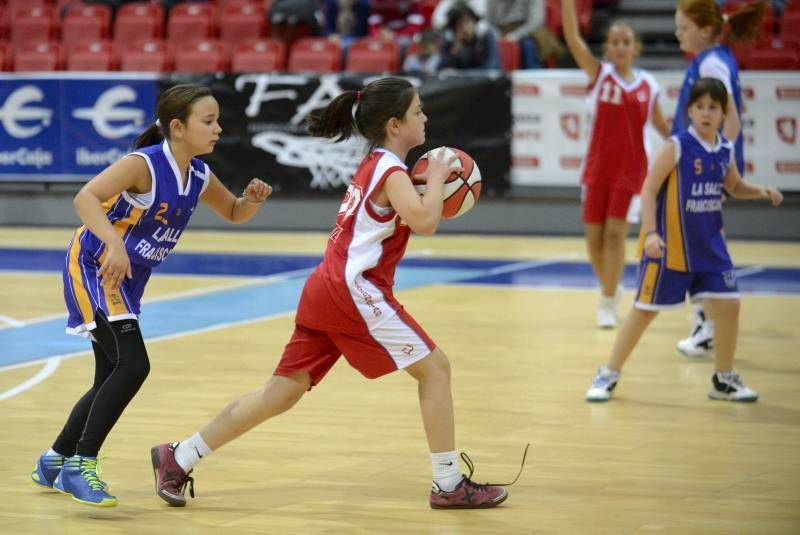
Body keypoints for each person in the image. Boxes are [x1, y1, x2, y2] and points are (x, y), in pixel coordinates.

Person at [150, 77, 514, 510]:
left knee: (280, 393)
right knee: (435, 369)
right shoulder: (391, 170)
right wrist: (437, 177)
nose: (426, 117)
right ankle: (448, 483)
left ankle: (180, 455)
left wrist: (429, 184)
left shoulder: (377, 163)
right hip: (352, 291)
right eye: (418, 111)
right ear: (395, 125)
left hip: (325, 287)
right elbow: (426, 220)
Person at [29, 84, 273, 507]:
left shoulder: (196, 174)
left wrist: (250, 201)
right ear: (177, 127)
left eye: (217, 121)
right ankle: (79, 465)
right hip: (95, 267)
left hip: (128, 280)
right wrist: (114, 242)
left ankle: (54, 459)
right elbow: (85, 197)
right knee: (134, 365)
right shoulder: (143, 164)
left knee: (111, 374)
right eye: (209, 121)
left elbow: (233, 212)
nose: (218, 129)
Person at [585, 77, 783, 403]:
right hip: (669, 248)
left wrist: (759, 191)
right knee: (643, 312)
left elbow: (733, 186)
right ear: (689, 110)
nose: (706, 113)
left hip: (710, 247)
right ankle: (608, 372)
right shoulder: (677, 145)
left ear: (723, 115)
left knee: (730, 306)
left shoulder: (723, 149)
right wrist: (650, 233)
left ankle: (723, 379)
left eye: (713, 108)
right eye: (699, 106)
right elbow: (649, 189)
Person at [561, 0, 671, 329]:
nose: (620, 47)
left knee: (614, 236)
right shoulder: (599, 74)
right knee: (593, 239)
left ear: (635, 48)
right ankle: (610, 286)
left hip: (631, 170)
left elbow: (664, 128)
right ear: (607, 47)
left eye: (626, 42)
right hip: (597, 168)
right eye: (615, 42)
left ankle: (608, 301)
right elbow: (572, 38)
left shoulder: (648, 85)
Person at [672, 0, 767, 358]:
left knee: (701, 245)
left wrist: (713, 160)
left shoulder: (712, 63)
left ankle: (710, 323)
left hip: (703, 170)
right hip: (698, 167)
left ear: (706, 30)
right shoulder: (712, 59)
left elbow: (733, 120)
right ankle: (706, 318)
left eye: (683, 28)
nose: (677, 34)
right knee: (700, 242)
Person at [439, 2, 500, 70]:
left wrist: (461, 74)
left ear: (474, 22)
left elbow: (492, 67)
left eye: (467, 22)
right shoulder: (451, 42)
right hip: (462, 80)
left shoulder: (486, 36)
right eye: (459, 25)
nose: (464, 28)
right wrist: (454, 53)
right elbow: (442, 70)